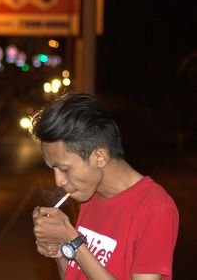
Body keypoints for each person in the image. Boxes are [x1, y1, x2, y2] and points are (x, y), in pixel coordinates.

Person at [29, 92, 179, 279]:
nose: (59, 181)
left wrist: (73, 242)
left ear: (100, 156)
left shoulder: (155, 208)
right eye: (53, 169)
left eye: (64, 169)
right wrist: (60, 249)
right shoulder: (90, 195)